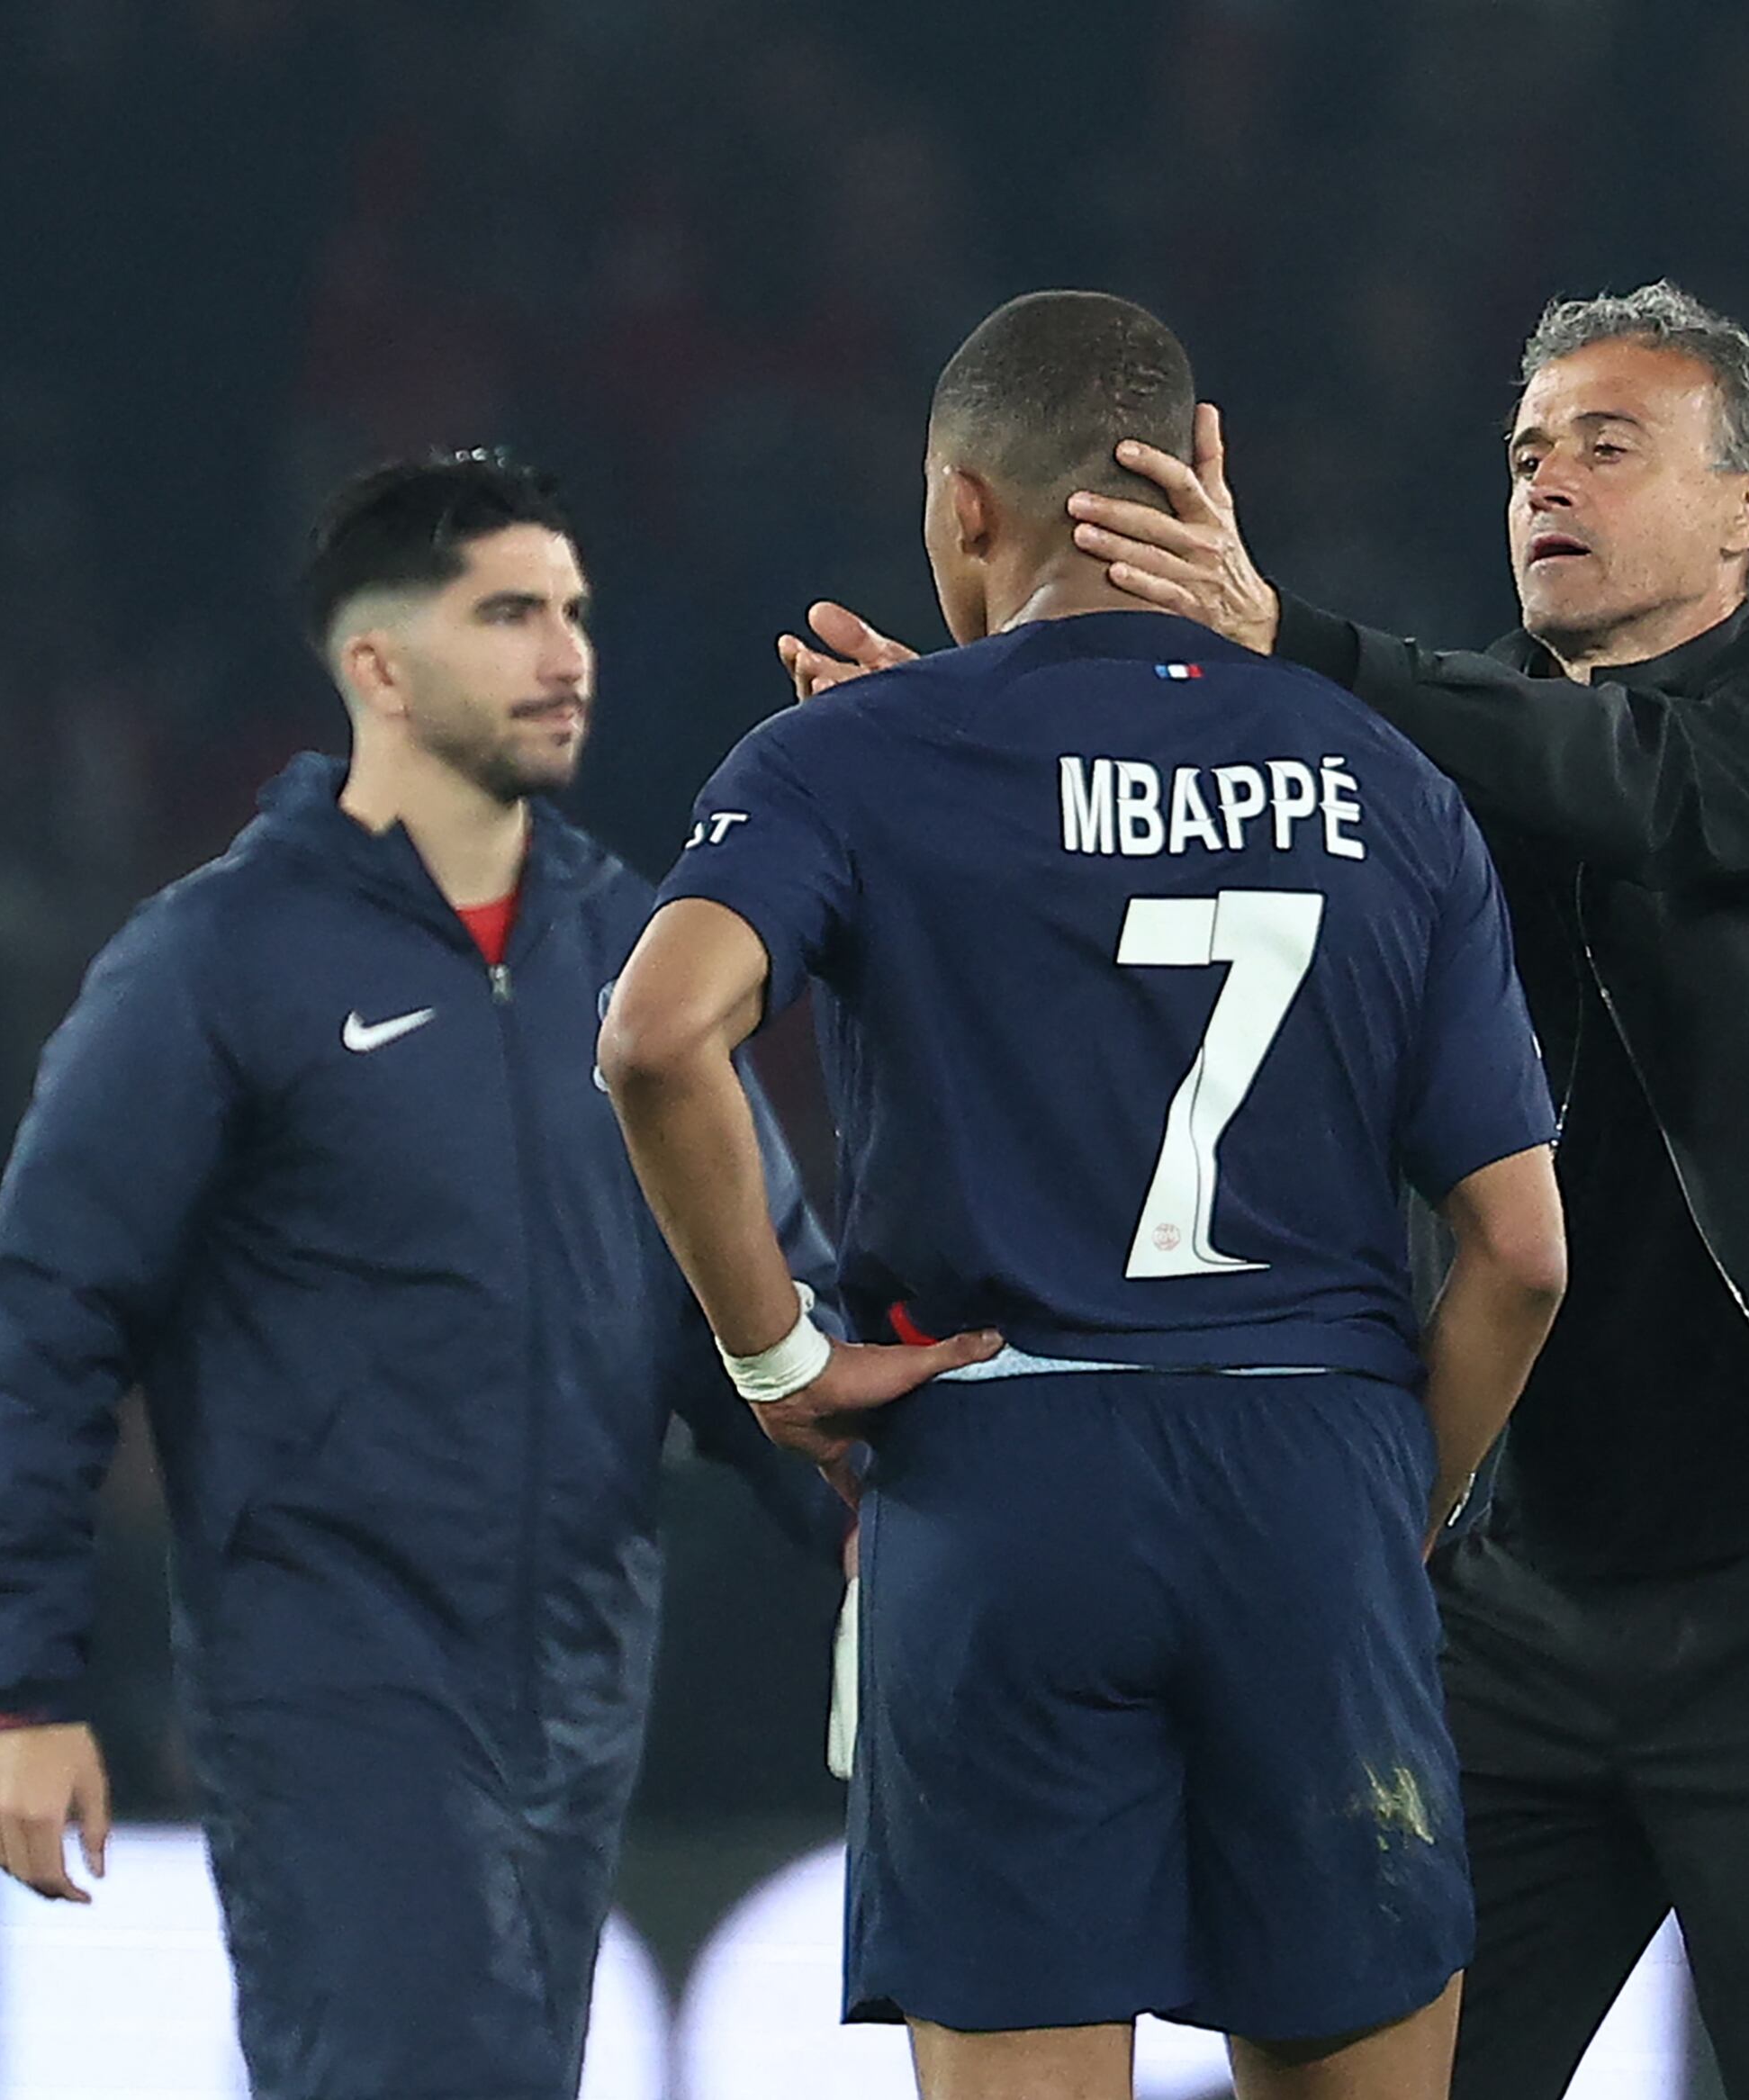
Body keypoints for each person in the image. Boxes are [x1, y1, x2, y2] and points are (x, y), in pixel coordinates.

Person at [789, 282, 1749, 2100]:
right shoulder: (1417, 747)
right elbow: (1179, 865)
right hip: (1513, 1579)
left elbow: (1630, 789)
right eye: (1524, 450)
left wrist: (1286, 636)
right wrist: (981, 752)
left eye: (1606, 442)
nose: (1545, 481)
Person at [598, 290, 1566, 2100]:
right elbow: (1518, 1247)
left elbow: (658, 1040)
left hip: (1001, 1479)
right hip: (1311, 1474)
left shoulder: (856, 759)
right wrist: (1390, 1498)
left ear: (965, 504)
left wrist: (776, 1356)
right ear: (1201, 474)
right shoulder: (1393, 782)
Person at [0, 450, 868, 2100]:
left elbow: (753, 1312)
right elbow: (46, 1316)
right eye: (509, 613)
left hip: (583, 1678)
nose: (566, 651)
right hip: (330, 1681)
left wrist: (885, 1518)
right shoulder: (219, 958)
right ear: (375, 664)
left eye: (575, 611)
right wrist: (29, 1683)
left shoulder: (628, 952)